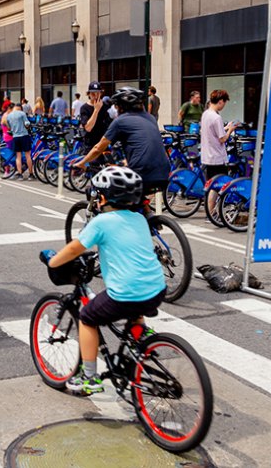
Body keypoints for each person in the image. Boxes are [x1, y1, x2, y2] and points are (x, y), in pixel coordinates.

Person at [42, 166, 166, 396]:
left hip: (126, 294)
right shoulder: (139, 219)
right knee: (136, 299)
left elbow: (75, 248)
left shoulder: (101, 222)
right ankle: (140, 335)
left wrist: (53, 261)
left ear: (102, 197)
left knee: (88, 318)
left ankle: (90, 377)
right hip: (156, 289)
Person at [75, 86, 170, 201]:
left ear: (121, 106)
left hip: (140, 173)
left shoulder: (121, 121)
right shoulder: (151, 118)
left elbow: (98, 148)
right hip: (164, 172)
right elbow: (146, 144)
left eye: (116, 105)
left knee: (108, 193)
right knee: (137, 203)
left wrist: (81, 163)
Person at [201, 90, 238, 213]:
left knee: (211, 185)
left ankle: (209, 212)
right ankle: (211, 212)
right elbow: (222, 139)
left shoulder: (206, 114)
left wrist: (224, 128)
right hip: (217, 157)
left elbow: (213, 132)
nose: (223, 106)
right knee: (217, 187)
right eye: (224, 103)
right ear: (220, 101)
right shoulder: (217, 117)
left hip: (207, 156)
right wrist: (230, 130)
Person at [78, 81, 113, 156]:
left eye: (98, 93)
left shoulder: (105, 106)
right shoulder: (84, 108)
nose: (96, 96)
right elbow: (88, 128)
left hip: (103, 144)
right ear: (88, 94)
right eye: (93, 93)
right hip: (90, 145)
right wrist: (96, 110)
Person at [3, 101, 34, 179]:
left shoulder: (9, 116)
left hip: (15, 137)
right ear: (20, 108)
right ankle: (31, 174)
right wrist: (27, 127)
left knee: (18, 156)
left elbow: (9, 127)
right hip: (24, 136)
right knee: (28, 155)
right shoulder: (22, 114)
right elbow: (27, 124)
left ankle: (20, 174)